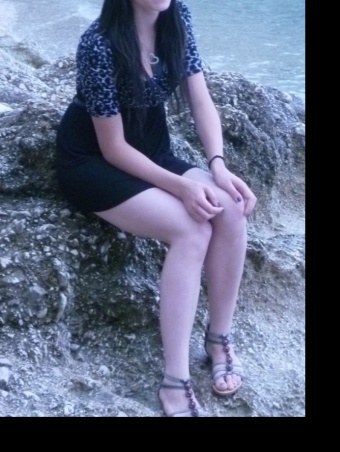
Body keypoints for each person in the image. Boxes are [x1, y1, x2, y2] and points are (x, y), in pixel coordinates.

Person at [56, 0, 257, 417]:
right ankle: (174, 379)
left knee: (231, 208)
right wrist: (182, 187)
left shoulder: (176, 17)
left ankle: (219, 338)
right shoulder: (98, 43)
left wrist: (217, 165)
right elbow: (113, 148)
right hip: (94, 160)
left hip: (151, 147)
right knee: (192, 228)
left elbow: (199, 97)